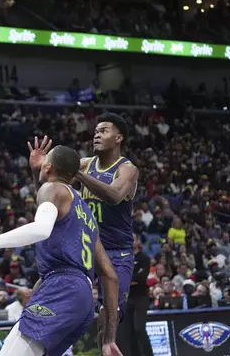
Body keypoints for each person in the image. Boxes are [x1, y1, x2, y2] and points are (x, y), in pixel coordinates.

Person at [0, 145, 121, 356]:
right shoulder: (87, 218)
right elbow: (110, 276)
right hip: (83, 301)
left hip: (62, 288)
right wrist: (109, 338)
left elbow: (41, 228)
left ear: (48, 167)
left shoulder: (52, 189)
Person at [74, 113, 138, 340]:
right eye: (95, 132)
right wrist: (38, 168)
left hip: (116, 253)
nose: (97, 135)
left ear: (118, 137)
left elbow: (114, 195)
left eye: (103, 131)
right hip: (85, 251)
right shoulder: (84, 164)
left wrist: (79, 176)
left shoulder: (127, 169)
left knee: (108, 316)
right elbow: (45, 186)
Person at [117, 234, 152, 356]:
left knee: (139, 329)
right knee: (128, 332)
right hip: (127, 298)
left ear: (138, 242)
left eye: (133, 239)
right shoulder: (123, 259)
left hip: (141, 297)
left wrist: (127, 280)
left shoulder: (144, 258)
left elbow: (141, 278)